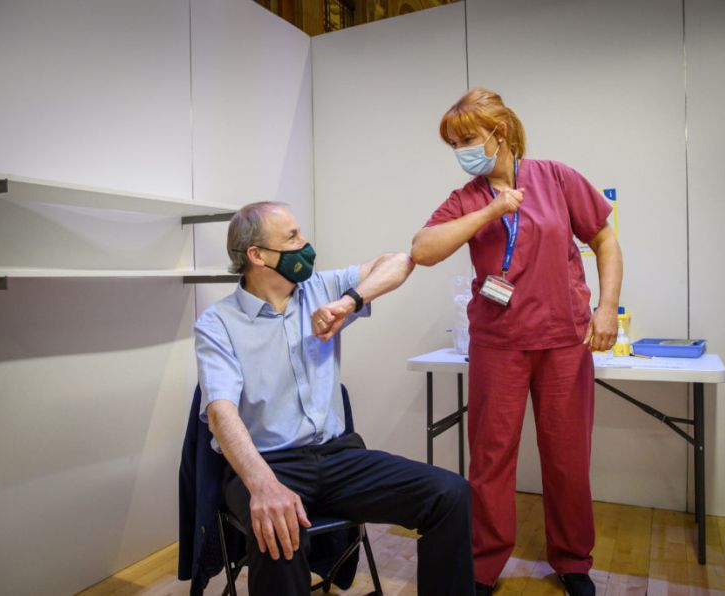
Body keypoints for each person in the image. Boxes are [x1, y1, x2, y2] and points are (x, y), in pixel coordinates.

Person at [194, 201, 475, 595]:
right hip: (267, 464)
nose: (305, 244)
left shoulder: (320, 289)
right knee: (279, 530)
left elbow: (399, 261)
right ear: (257, 255)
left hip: (337, 457)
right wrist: (264, 486)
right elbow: (221, 414)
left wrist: (348, 303)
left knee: (449, 494)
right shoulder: (218, 323)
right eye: (292, 237)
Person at [411, 88, 623, 596]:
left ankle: (573, 562)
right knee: (490, 459)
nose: (461, 151)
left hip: (563, 340)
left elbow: (605, 239)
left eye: (466, 139)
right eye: (454, 143)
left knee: (568, 457)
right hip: (498, 343)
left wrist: (607, 307)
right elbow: (422, 249)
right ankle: (483, 566)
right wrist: (489, 212)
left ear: (498, 133)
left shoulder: (557, 177)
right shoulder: (466, 198)